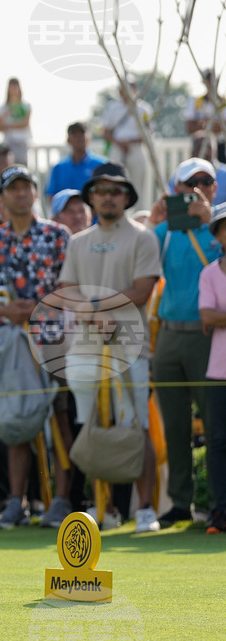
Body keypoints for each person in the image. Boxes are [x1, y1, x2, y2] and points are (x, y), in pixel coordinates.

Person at [59, 161, 162, 533]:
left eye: (115, 191)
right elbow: (67, 292)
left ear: (126, 197)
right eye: (101, 190)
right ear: (91, 196)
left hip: (130, 347)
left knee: (135, 425)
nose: (107, 197)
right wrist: (90, 313)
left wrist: (98, 307)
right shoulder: (77, 242)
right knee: (92, 428)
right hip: (84, 351)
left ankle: (145, 508)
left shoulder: (142, 237)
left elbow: (142, 289)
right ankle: (103, 509)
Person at [0, 165, 73, 529]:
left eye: (26, 187)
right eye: (13, 189)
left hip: (52, 340)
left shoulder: (57, 234)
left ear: (35, 193)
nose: (20, 194)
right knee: (15, 421)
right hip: (10, 342)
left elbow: (69, 286)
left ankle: (61, 500)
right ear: (2, 198)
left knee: (59, 419)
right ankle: (16, 503)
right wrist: (7, 310)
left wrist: (35, 309)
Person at [147, 156, 224, 525]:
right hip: (169, 338)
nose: (198, 190)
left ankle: (216, 503)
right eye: (189, 184)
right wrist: (152, 221)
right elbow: (140, 259)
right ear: (175, 191)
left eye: (205, 182)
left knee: (215, 425)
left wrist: (210, 218)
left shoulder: (219, 228)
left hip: (208, 337)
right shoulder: (164, 233)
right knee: (174, 426)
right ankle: (180, 503)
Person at [198, 209, 226, 534]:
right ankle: (220, 512)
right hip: (218, 371)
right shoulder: (209, 274)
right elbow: (206, 316)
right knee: (218, 443)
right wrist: (215, 317)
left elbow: (215, 316)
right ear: (217, 236)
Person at [101, 77, 153, 193]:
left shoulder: (144, 109)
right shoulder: (113, 107)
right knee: (113, 180)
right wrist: (119, 143)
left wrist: (130, 142)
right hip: (117, 147)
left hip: (135, 148)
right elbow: (105, 132)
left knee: (138, 184)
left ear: (135, 89)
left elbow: (149, 133)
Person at [46, 122, 107, 203]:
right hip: (65, 215)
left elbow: (106, 195)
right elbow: (52, 197)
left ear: (89, 138)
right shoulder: (58, 167)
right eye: (74, 134)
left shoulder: (102, 165)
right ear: (68, 140)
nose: (78, 138)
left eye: (82, 133)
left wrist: (88, 215)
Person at [185, 68, 226, 165]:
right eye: (208, 80)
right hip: (200, 145)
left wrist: (202, 124)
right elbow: (189, 127)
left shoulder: (223, 102)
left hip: (221, 146)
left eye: (212, 80)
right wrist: (213, 125)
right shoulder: (195, 101)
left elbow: (223, 127)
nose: (210, 83)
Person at [0, 78, 32, 165]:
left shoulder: (26, 106)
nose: (14, 90)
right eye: (12, 87)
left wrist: (8, 125)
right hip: (8, 144)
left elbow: (25, 124)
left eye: (16, 87)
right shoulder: (3, 108)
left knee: (22, 167)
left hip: (22, 144)